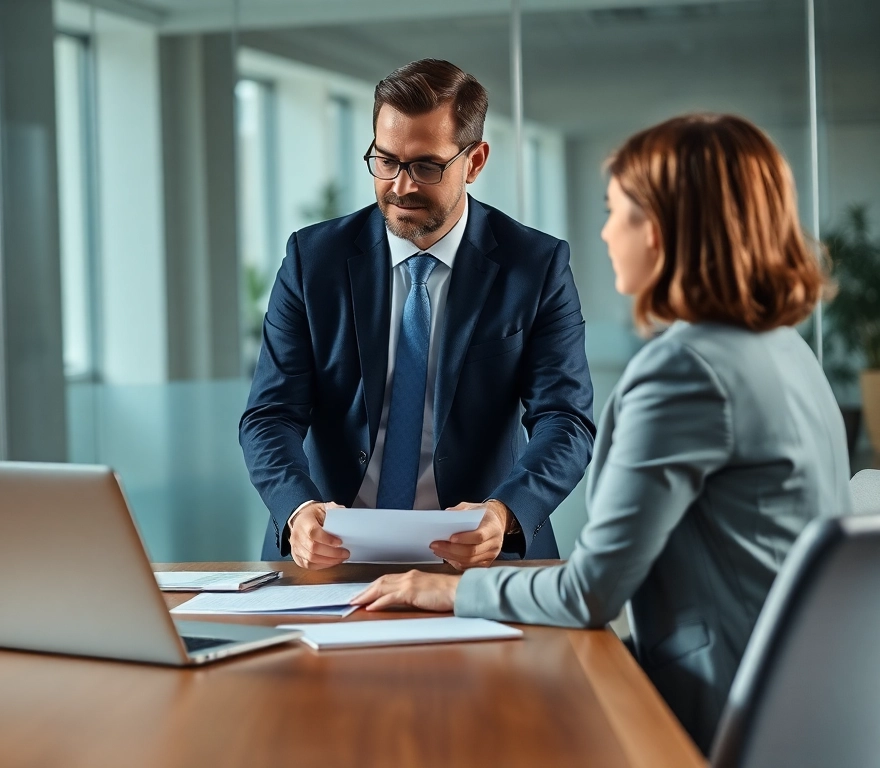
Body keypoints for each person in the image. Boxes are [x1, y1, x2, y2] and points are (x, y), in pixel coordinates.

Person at [350, 113, 853, 752]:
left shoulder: (686, 370)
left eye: (617, 211)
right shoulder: (785, 350)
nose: (606, 232)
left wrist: (446, 590)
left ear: (664, 229)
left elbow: (590, 591)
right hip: (802, 704)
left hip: (709, 708)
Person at [239, 59, 596, 569]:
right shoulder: (312, 260)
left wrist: (505, 513)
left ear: (474, 163)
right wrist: (297, 509)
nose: (401, 186)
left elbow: (565, 420)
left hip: (479, 558)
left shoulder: (534, 266)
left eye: (426, 166)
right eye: (385, 161)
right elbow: (270, 415)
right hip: (331, 558)